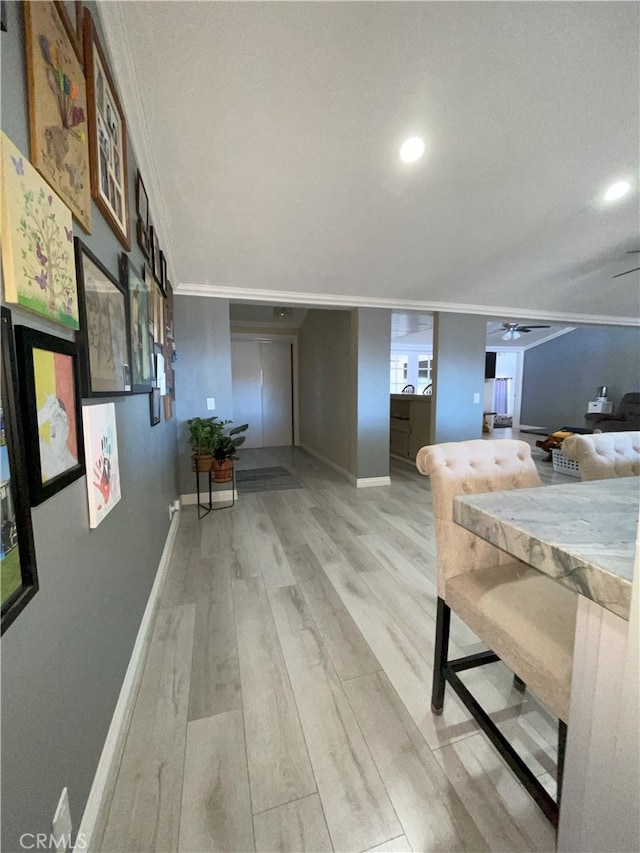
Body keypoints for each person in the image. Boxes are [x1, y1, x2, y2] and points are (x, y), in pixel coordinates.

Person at [37, 395, 77, 481]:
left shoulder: (73, 463)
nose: (52, 433)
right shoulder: (46, 457)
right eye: (50, 425)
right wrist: (45, 412)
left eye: (57, 424)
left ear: (66, 429)